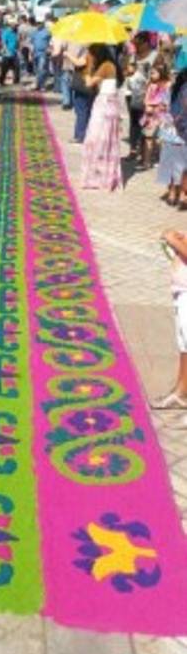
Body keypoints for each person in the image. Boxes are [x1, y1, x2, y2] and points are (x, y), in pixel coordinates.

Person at [80, 43, 123, 191]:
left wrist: (87, 69)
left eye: (90, 53)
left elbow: (89, 83)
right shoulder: (109, 65)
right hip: (109, 103)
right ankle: (101, 175)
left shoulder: (106, 66)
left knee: (96, 139)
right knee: (104, 140)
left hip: (104, 104)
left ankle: (98, 176)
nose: (88, 56)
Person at [153, 229, 187, 409]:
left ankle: (181, 393)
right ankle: (181, 391)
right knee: (184, 345)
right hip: (181, 292)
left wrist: (174, 241)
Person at [157, 69, 187, 208]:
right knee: (183, 166)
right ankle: (183, 195)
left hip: (169, 132)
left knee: (170, 164)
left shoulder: (170, 90)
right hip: (182, 132)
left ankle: (172, 193)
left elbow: (162, 109)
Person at [141, 63, 170, 169]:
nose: (151, 75)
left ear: (161, 73)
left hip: (162, 116)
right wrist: (147, 105)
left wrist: (156, 106)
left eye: (153, 73)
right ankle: (146, 161)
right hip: (150, 116)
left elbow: (166, 102)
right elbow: (145, 99)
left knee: (160, 140)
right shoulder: (150, 85)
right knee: (148, 138)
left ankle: (161, 160)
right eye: (151, 73)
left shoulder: (167, 86)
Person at [68, 49, 95, 143]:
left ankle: (80, 135)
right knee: (87, 111)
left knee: (81, 112)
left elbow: (78, 63)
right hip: (91, 87)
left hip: (83, 86)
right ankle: (86, 133)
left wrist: (67, 54)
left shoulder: (89, 55)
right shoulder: (101, 56)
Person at [31, 20, 52, 91]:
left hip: (43, 54)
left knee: (42, 69)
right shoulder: (34, 33)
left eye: (39, 23)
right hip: (35, 53)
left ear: (42, 24)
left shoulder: (47, 32)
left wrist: (49, 48)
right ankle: (38, 84)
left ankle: (42, 85)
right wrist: (30, 53)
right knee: (37, 70)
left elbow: (51, 41)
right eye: (37, 23)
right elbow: (32, 43)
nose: (38, 25)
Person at [0, 18, 19, 85]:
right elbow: (3, 43)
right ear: (11, 25)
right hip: (7, 53)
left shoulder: (15, 32)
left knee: (16, 68)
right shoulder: (6, 32)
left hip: (14, 52)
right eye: (14, 25)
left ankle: (16, 81)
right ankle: (1, 81)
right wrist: (7, 51)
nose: (16, 26)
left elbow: (16, 42)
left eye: (16, 25)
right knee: (5, 68)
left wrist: (17, 49)